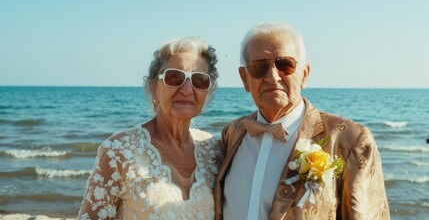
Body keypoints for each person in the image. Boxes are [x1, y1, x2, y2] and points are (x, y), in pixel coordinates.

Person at [214, 23, 390, 219]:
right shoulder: (231, 134)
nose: (272, 76)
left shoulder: (350, 139)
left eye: (285, 65)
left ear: (304, 74)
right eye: (259, 67)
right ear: (245, 79)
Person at [78, 37, 222, 219]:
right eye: (174, 77)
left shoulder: (213, 150)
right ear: (154, 87)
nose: (187, 89)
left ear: (207, 92)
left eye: (199, 80)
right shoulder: (119, 151)